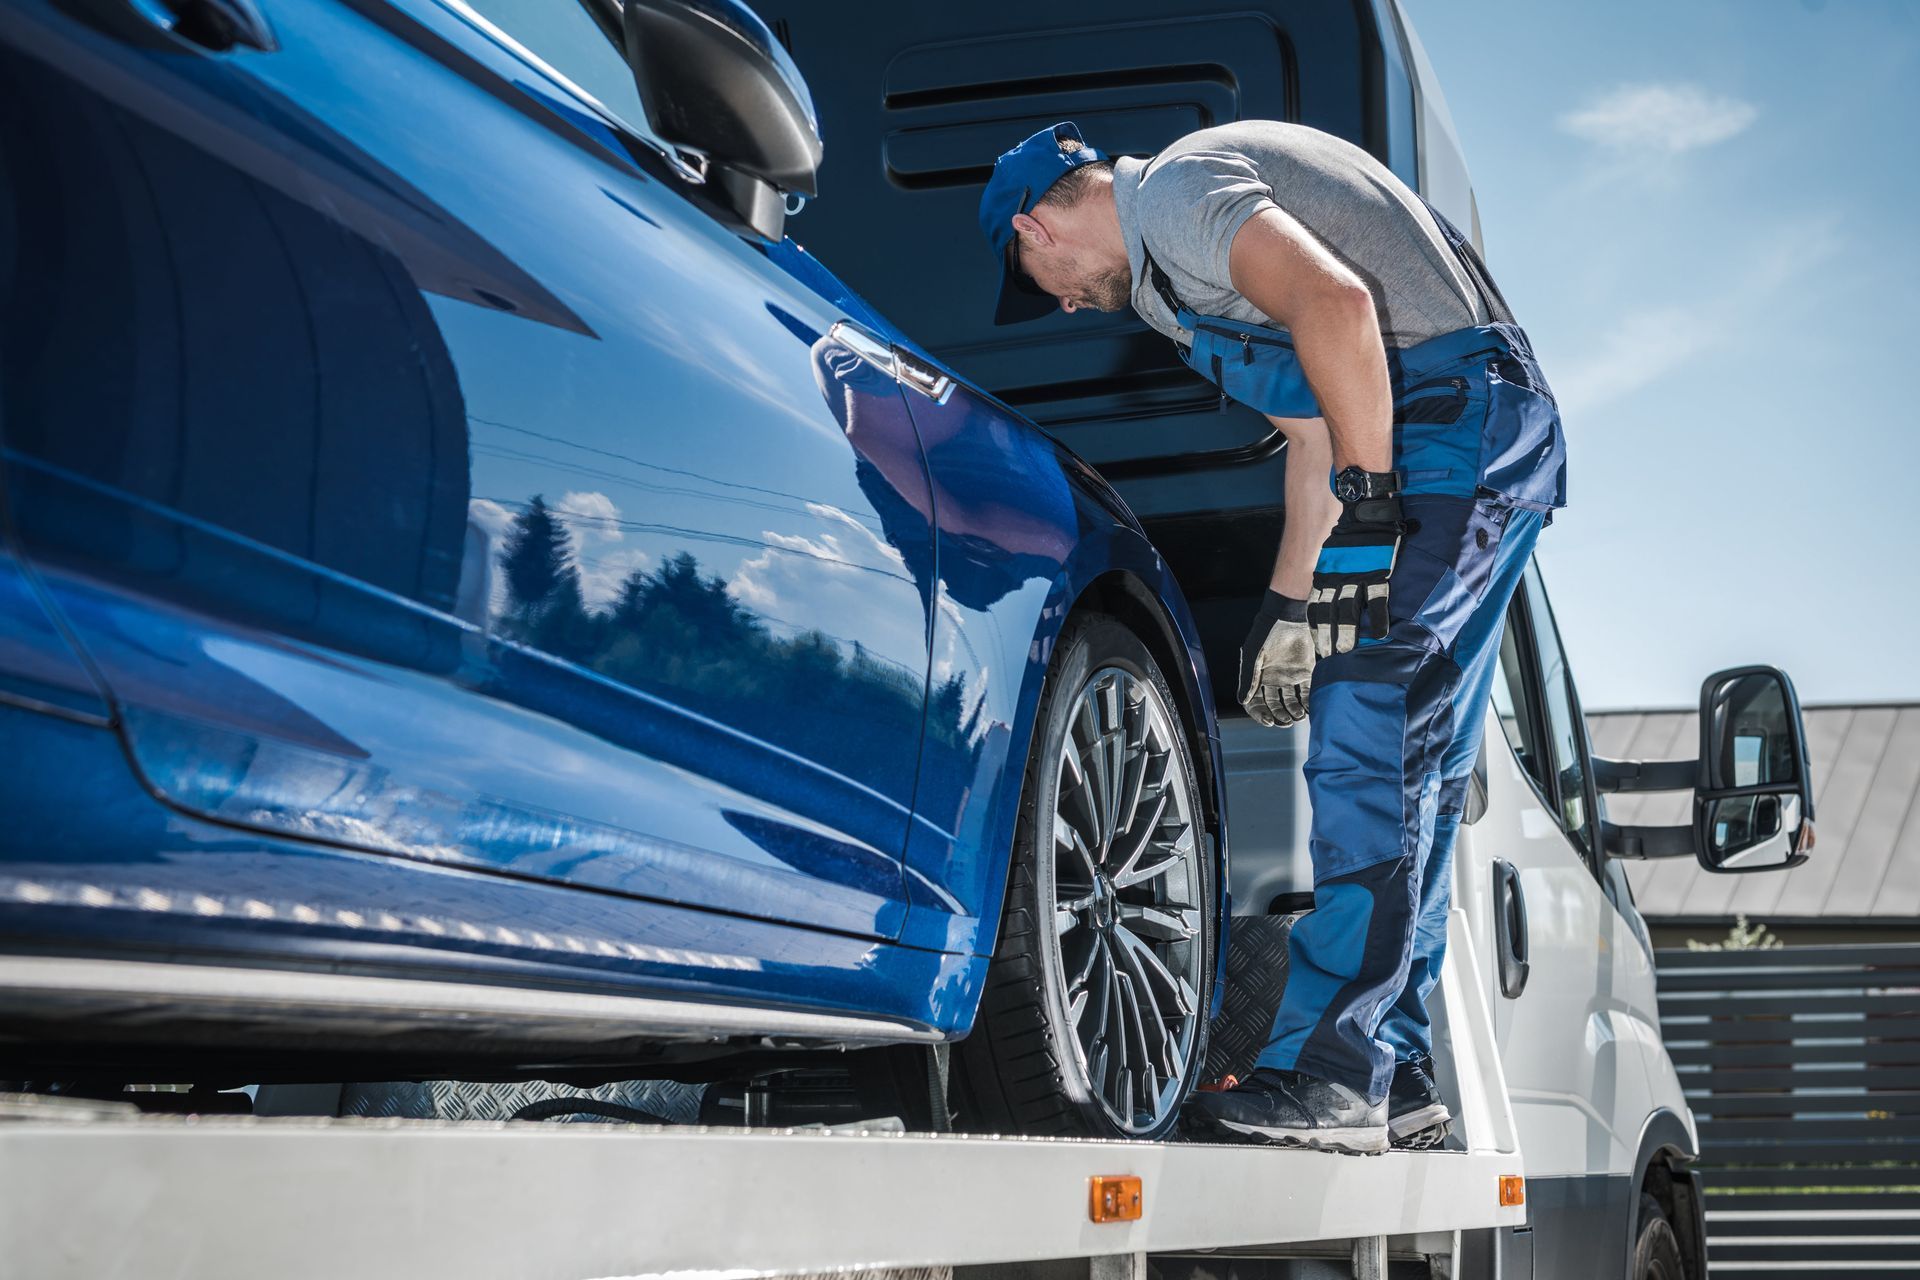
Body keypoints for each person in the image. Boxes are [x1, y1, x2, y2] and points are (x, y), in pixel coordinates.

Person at [977, 121, 1566, 1153]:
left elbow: (1338, 306)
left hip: (1451, 423)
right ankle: (1397, 1069)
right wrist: (1289, 611)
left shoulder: (1172, 196)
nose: (1062, 302)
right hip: (1455, 426)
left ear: (1038, 224)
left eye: (1041, 278)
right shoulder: (1170, 277)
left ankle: (1336, 1072)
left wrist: (1372, 516)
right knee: (1415, 766)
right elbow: (1312, 428)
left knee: (1368, 722)